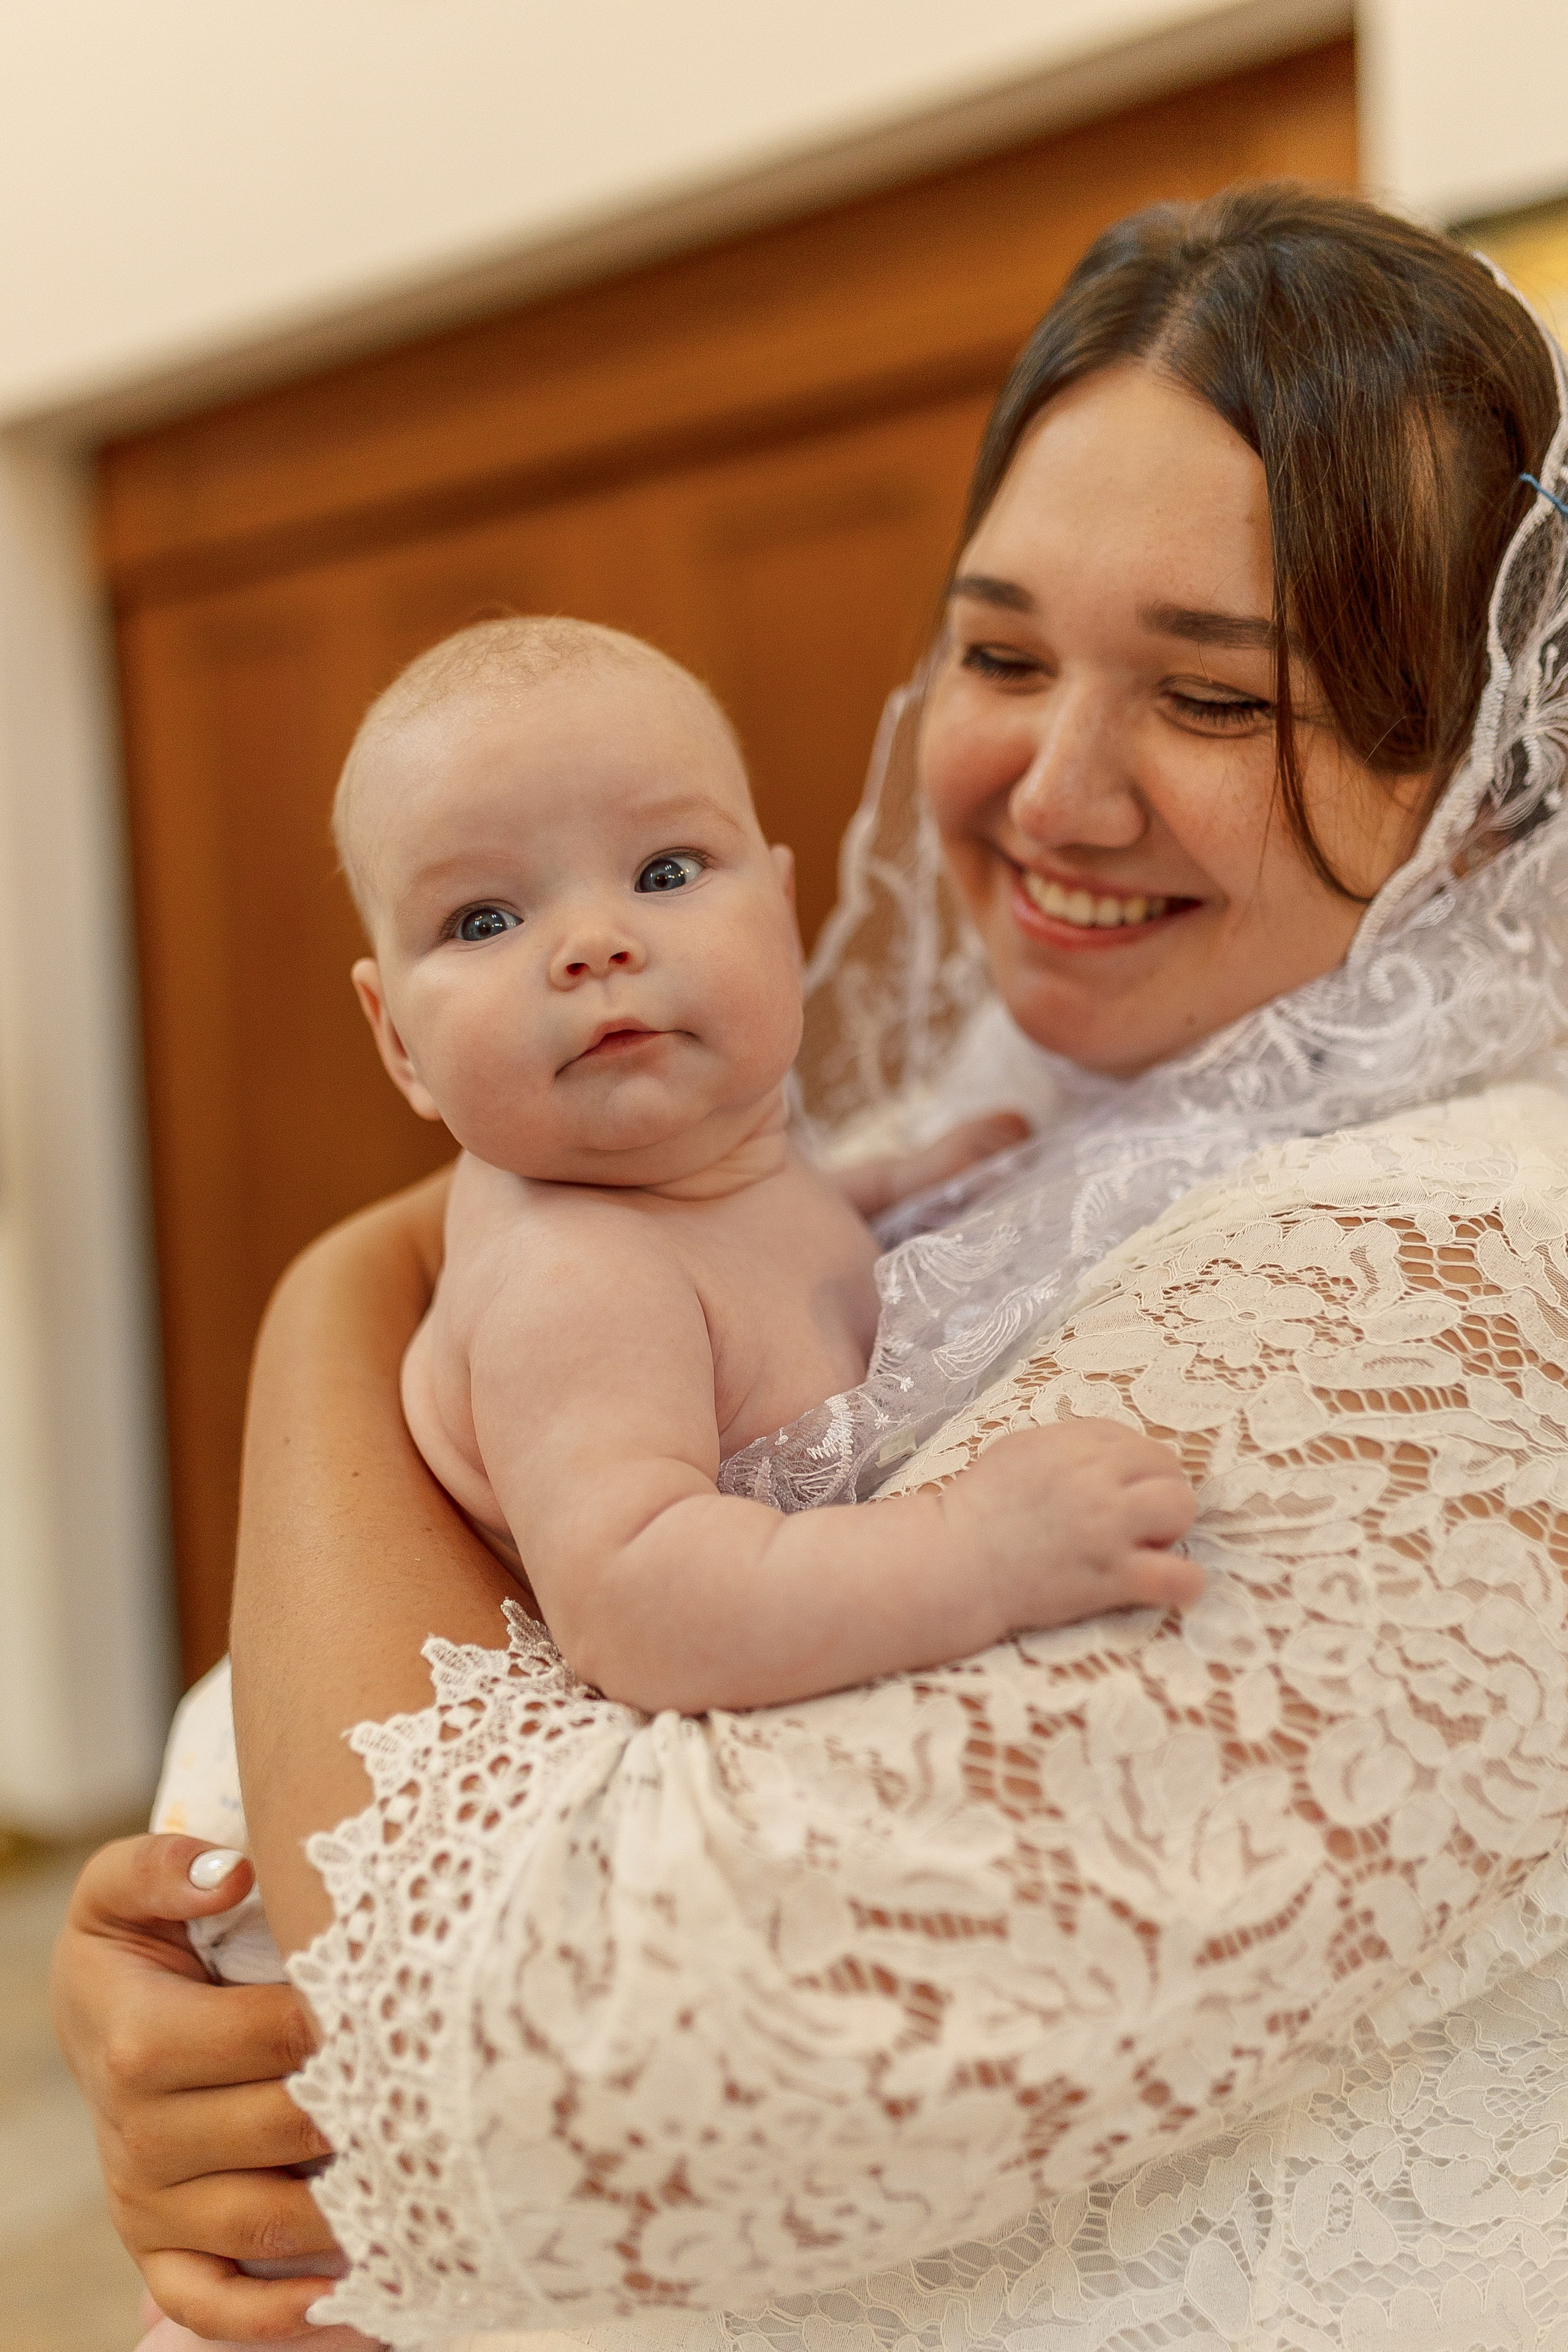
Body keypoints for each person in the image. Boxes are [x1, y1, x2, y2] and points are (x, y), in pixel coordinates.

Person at [53, 183, 1568, 2348]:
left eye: (1215, 700)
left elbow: (536, 2051)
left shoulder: (1458, 1289)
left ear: (1492, 773)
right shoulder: (1018, 1127)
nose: (1054, 792)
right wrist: (204, 1967)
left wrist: (336, 1306)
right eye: (1003, 655)